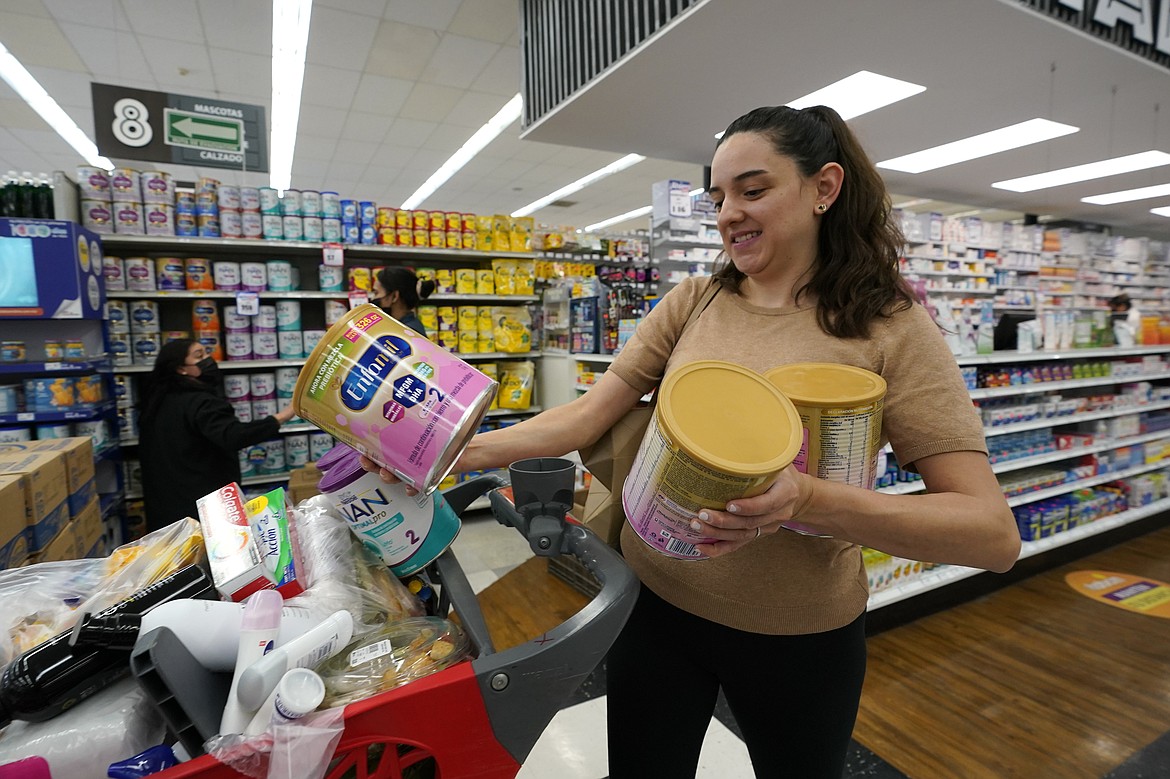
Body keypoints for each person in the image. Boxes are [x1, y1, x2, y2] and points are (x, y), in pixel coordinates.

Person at [364, 105, 1020, 777]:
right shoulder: (697, 301)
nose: (729, 211)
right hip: (657, 609)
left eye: (754, 189)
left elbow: (989, 532)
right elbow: (588, 416)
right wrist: (446, 452)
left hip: (797, 638)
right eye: (720, 197)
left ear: (825, 187)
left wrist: (804, 499)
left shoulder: (892, 328)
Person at [137, 338, 296, 532]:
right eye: (199, 356)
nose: (208, 359)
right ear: (181, 369)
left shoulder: (156, 401)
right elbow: (233, 436)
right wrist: (284, 415)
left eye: (206, 352)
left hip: (166, 509)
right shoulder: (201, 402)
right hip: (203, 508)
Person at [371, 266, 436, 336]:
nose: (373, 299)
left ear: (394, 297)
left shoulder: (406, 335)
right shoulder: (403, 327)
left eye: (376, 293)